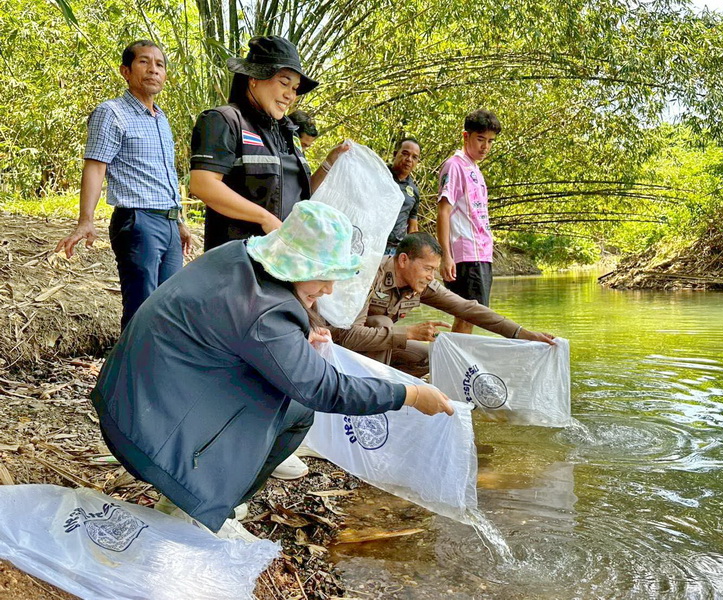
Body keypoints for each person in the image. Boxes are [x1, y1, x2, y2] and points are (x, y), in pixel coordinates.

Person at [90, 202, 453, 542]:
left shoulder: (239, 256)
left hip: (129, 393)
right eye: (325, 276)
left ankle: (210, 496)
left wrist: (298, 337)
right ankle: (192, 504)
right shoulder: (268, 312)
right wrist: (410, 395)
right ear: (298, 266)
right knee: (290, 401)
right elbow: (325, 389)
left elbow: (236, 328)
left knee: (296, 408)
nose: (329, 289)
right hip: (144, 430)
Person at [55, 40, 192, 330]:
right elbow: (96, 166)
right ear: (125, 71)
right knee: (142, 311)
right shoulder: (112, 112)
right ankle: (129, 361)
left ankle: (154, 362)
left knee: (168, 311)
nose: (153, 69)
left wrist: (178, 221)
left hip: (168, 224)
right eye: (144, 62)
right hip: (139, 222)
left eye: (159, 64)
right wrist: (85, 220)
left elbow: (164, 174)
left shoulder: (161, 119)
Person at [189, 36, 346, 251]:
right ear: (254, 77)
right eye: (284, 83)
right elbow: (203, 184)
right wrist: (264, 218)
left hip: (282, 258)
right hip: (238, 259)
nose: (290, 95)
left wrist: (329, 163)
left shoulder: (287, 132)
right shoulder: (224, 120)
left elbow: (299, 195)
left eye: (295, 88)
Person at [330, 232, 555, 378]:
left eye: (434, 270)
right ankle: (366, 393)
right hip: (335, 348)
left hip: (372, 349)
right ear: (404, 260)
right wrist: (408, 333)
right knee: (382, 322)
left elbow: (468, 309)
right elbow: (347, 336)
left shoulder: (421, 282)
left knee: (431, 357)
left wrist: (521, 333)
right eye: (427, 268)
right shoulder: (368, 276)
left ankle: (393, 386)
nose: (431, 276)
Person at [436, 109, 501, 335]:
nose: (485, 147)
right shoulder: (455, 166)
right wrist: (446, 255)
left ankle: (456, 356)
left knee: (471, 316)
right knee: (468, 315)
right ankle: (454, 357)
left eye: (490, 141)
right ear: (466, 136)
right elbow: (443, 211)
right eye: (480, 139)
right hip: (466, 253)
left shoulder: (475, 168)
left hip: (481, 252)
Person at [385, 137, 421, 255]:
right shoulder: (380, 175)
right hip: (371, 242)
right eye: (405, 154)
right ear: (395, 154)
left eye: (414, 157)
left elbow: (412, 226)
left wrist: (413, 253)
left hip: (394, 249)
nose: (409, 159)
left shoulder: (413, 191)